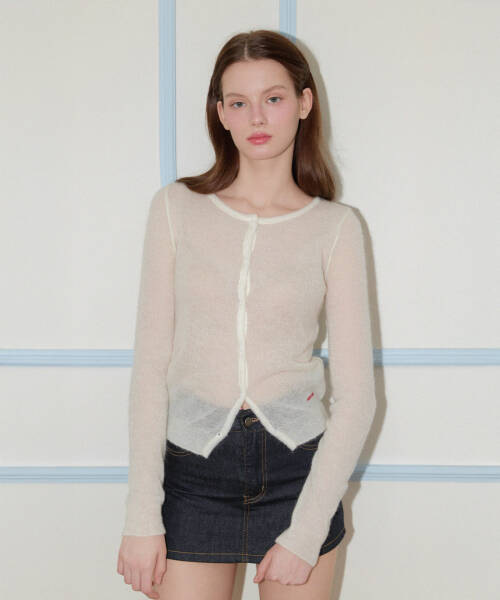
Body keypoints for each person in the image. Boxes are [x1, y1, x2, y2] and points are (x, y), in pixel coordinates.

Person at [117, 29, 376, 600]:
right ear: (221, 113)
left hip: (299, 475)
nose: (256, 117)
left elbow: (358, 397)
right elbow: (151, 369)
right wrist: (141, 515)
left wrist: (306, 532)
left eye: (273, 98)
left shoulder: (336, 227)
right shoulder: (176, 208)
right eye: (238, 102)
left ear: (304, 103)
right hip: (191, 474)